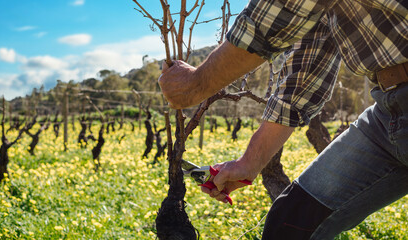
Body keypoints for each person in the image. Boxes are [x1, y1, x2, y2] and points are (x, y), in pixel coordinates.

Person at [158, 0, 408, 239]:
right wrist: (249, 162)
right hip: (389, 110)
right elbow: (305, 73)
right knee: (290, 221)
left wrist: (197, 83)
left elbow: (282, 9)